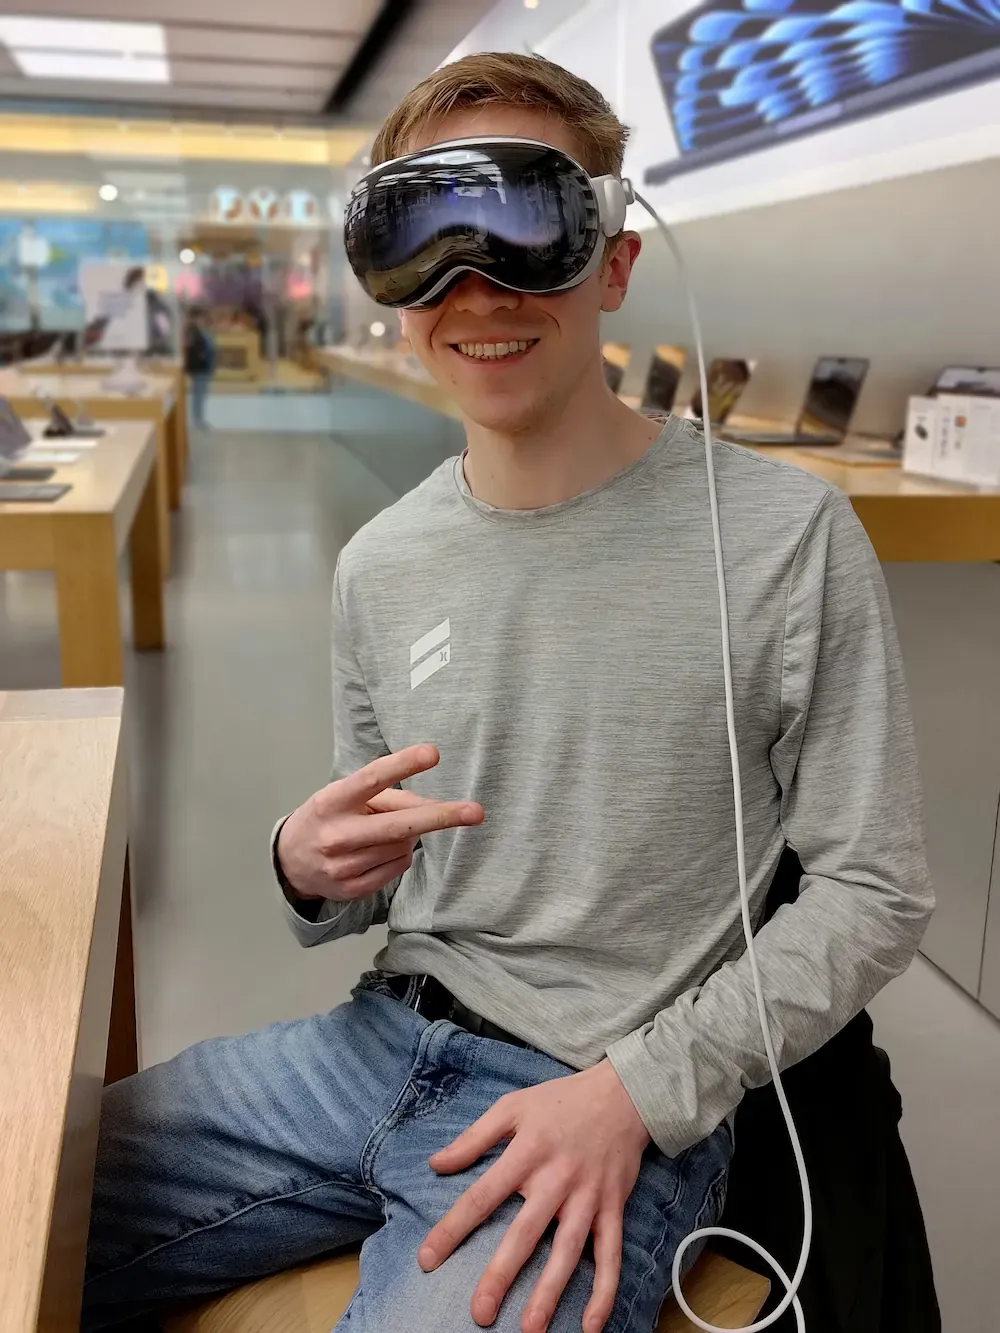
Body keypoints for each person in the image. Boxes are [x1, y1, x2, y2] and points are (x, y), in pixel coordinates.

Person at [82, 53, 933, 1333]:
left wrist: (638, 1096)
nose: (470, 289)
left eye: (522, 227)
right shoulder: (381, 563)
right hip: (375, 1043)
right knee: (26, 1184)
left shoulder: (780, 537)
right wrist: (308, 865)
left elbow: (875, 888)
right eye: (419, 242)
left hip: (593, 1089)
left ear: (612, 262)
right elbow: (380, 873)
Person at [184, 307, 215, 430]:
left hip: (205, 367)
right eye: (200, 318)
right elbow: (194, 350)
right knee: (199, 395)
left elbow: (210, 349)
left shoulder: (203, 332)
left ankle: (199, 418)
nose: (202, 320)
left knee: (201, 395)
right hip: (199, 368)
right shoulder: (193, 332)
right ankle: (198, 419)